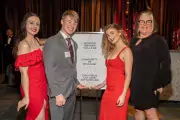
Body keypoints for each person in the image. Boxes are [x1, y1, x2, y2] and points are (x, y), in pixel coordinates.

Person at [43, 10, 87, 120]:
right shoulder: (51, 42)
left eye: (75, 23)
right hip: (59, 93)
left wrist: (76, 83)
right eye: (69, 21)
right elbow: (49, 69)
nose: (72, 25)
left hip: (71, 92)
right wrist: (57, 93)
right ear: (62, 22)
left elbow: (71, 67)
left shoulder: (74, 44)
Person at [130, 10, 171, 120]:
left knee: (150, 113)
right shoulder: (133, 41)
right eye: (142, 21)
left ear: (153, 24)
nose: (145, 24)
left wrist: (160, 84)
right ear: (138, 24)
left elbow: (166, 63)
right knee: (138, 110)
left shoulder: (158, 40)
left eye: (149, 21)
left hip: (151, 84)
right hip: (135, 83)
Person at [92, 24, 133, 120]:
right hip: (108, 91)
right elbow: (112, 72)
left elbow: (128, 75)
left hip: (119, 90)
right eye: (107, 35)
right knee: (105, 116)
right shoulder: (112, 50)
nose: (110, 37)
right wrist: (102, 84)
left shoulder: (126, 51)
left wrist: (123, 95)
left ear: (120, 32)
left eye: (112, 33)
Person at [13, 12, 49, 120]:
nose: (35, 26)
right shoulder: (24, 44)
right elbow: (23, 73)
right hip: (32, 86)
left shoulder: (37, 40)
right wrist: (26, 97)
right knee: (39, 115)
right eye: (31, 23)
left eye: (37, 24)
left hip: (42, 84)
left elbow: (48, 42)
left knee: (42, 110)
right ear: (25, 24)